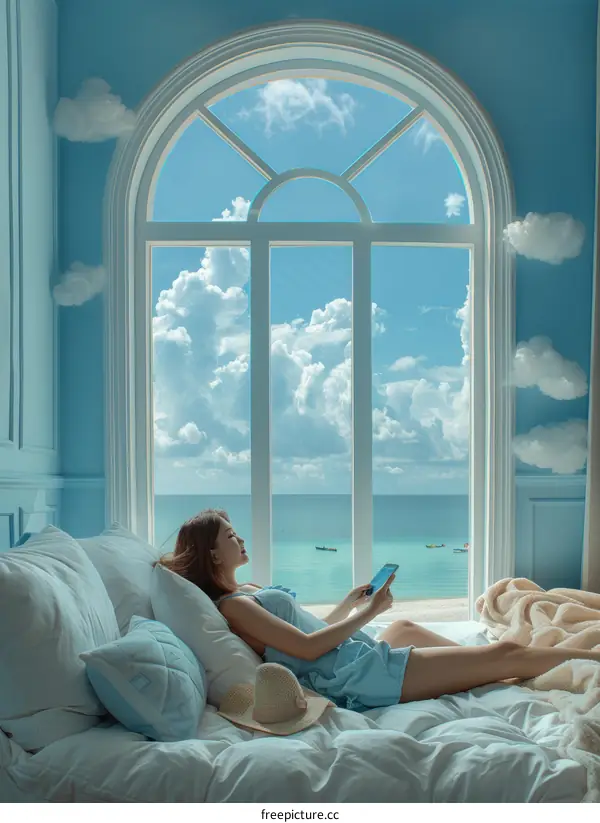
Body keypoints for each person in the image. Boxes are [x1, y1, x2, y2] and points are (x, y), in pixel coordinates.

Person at [157, 509, 600, 709]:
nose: (240, 540)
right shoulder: (234, 606)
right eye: (230, 537)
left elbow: (306, 630)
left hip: (353, 653)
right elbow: (307, 651)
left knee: (405, 625)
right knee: (499, 653)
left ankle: (487, 669)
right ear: (213, 555)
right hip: (355, 676)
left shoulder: (249, 589)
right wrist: (369, 614)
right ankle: (553, 661)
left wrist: (350, 606)